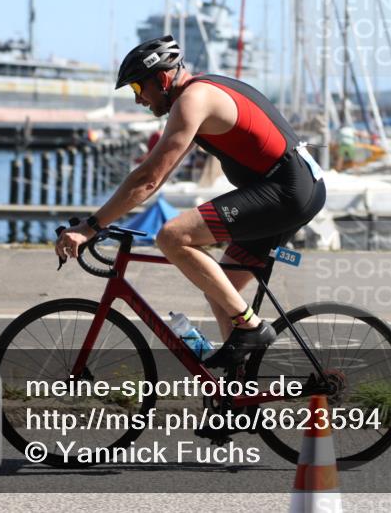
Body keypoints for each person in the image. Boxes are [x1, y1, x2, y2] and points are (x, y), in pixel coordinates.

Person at [55, 35, 326, 367]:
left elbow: (148, 178)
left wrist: (93, 226)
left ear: (163, 79)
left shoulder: (193, 100)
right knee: (220, 289)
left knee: (172, 236)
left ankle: (252, 326)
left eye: (139, 90)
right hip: (294, 187)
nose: (139, 101)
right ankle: (237, 404)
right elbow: (156, 175)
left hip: (288, 191)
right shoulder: (201, 91)